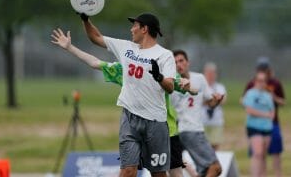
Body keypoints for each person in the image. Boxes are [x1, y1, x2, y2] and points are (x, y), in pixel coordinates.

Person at [50, 28, 196, 177]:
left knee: (172, 174)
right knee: (128, 170)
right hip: (135, 127)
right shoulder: (124, 70)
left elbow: (189, 88)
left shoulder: (160, 67)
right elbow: (95, 62)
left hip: (165, 130)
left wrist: (189, 86)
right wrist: (70, 47)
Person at [79, 12, 176, 177]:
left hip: (155, 123)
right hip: (129, 119)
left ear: (144, 29)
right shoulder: (125, 47)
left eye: (135, 26)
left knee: (158, 173)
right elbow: (95, 37)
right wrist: (85, 20)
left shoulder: (164, 55)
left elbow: (170, 87)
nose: (131, 29)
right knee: (128, 171)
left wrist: (159, 77)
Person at [171, 50, 223, 177]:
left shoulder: (199, 78)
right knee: (215, 167)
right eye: (175, 62)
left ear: (188, 62)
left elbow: (210, 102)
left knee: (205, 171)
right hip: (188, 130)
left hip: (195, 129)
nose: (178, 64)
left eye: (181, 61)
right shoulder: (170, 84)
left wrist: (216, 101)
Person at [244, 57, 285, 177]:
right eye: (260, 68)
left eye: (264, 68)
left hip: (272, 124)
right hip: (255, 125)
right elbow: (245, 102)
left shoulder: (275, 83)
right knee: (257, 153)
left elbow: (282, 102)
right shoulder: (251, 85)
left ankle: (277, 174)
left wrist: (274, 98)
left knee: (273, 151)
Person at [243, 71, 275, 177]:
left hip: (267, 127)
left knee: (263, 156)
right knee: (257, 153)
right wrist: (265, 114)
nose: (262, 83)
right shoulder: (250, 93)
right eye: (260, 80)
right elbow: (249, 110)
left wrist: (270, 116)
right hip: (254, 127)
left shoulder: (268, 95)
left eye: (264, 80)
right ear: (255, 81)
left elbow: (272, 111)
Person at [202, 62, 227, 151]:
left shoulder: (220, 87)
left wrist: (208, 100)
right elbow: (198, 101)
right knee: (203, 146)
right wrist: (214, 100)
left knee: (215, 146)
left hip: (216, 121)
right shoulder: (201, 86)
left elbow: (223, 100)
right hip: (202, 122)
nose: (210, 75)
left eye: (212, 73)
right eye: (208, 73)